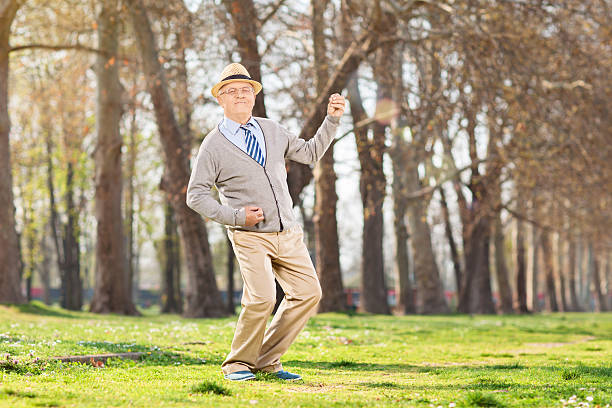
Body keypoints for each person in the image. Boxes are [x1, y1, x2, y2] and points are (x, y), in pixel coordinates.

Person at [186, 63, 346, 381]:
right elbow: (196, 195)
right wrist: (236, 216)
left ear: (254, 96)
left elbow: (311, 153)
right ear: (221, 99)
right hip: (249, 235)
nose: (240, 95)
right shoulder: (213, 145)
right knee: (262, 297)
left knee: (309, 293)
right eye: (232, 91)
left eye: (246, 90)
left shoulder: (271, 130)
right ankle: (236, 363)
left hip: (287, 231)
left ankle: (266, 360)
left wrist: (332, 120)